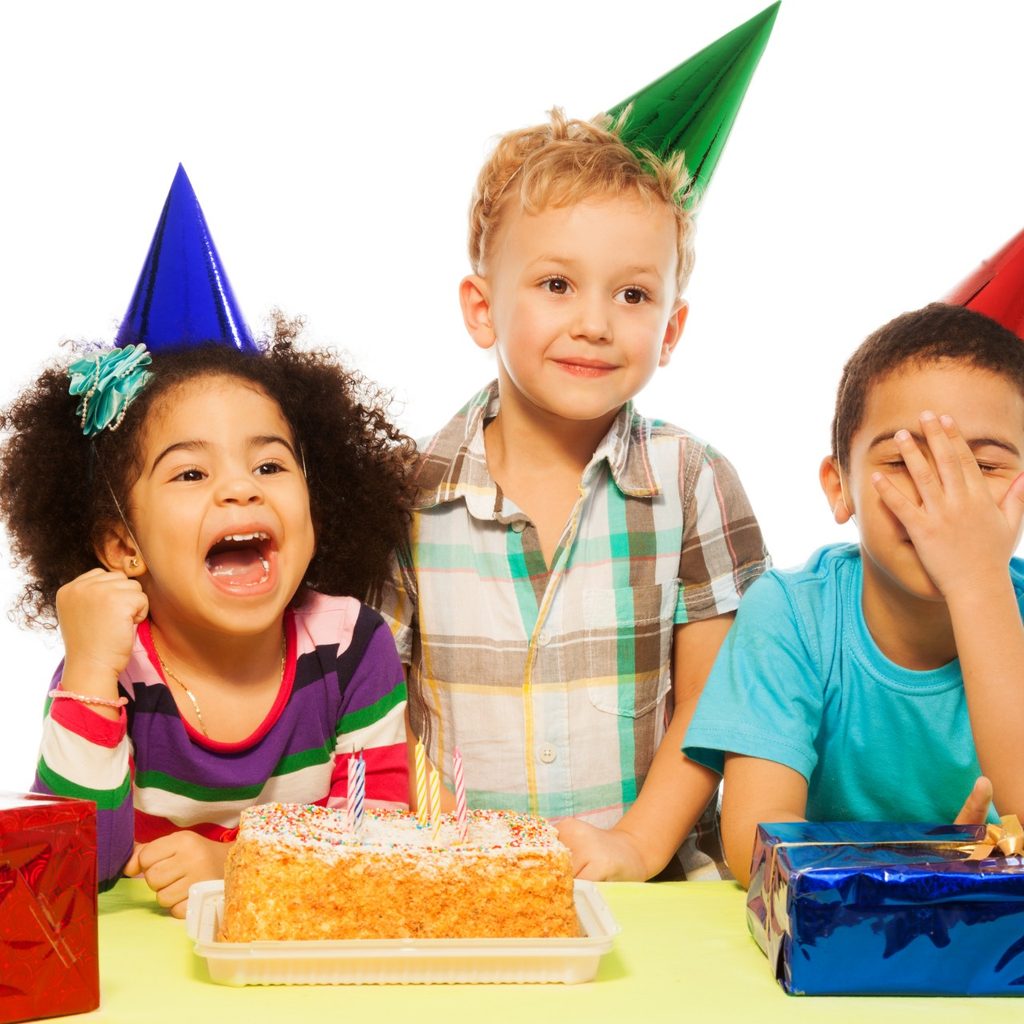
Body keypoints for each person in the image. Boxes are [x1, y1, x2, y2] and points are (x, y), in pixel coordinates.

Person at [376, 82, 773, 879]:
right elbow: (379, 718)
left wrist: (635, 845)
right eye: (557, 285)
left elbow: (714, 702)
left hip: (651, 890)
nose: (595, 321)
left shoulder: (695, 483)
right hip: (455, 887)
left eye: (632, 294)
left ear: (672, 329)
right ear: (482, 309)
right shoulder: (405, 495)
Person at [0, 169, 415, 917]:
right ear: (122, 546)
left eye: (268, 464)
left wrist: (234, 867)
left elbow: (377, 844)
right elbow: (73, 872)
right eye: (190, 471)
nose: (240, 489)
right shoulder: (111, 665)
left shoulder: (352, 645)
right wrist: (90, 671)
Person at [683, 302, 1024, 885]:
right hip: (831, 940)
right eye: (904, 459)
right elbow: (754, 842)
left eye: (984, 467)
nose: (946, 495)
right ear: (840, 489)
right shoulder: (790, 614)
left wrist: (977, 583)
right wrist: (923, 863)